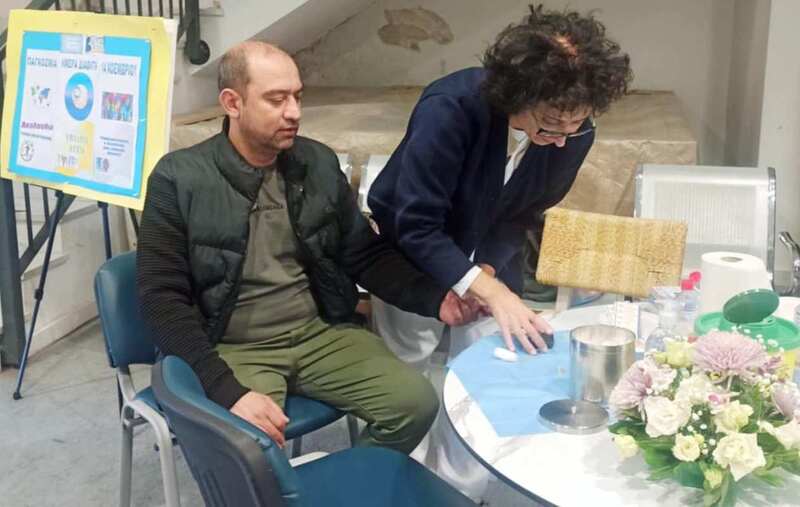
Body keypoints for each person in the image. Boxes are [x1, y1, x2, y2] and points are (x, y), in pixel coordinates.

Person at [136, 41, 478, 453]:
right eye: (276, 99)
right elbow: (161, 299)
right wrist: (225, 388)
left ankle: (353, 480)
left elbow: (363, 254)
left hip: (318, 333)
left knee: (416, 404)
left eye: (297, 97)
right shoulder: (178, 178)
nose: (294, 112)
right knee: (248, 448)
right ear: (232, 103)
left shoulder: (316, 163)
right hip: (231, 345)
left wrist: (435, 298)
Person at [367, 4, 632, 499]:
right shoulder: (451, 108)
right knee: (409, 369)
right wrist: (486, 288)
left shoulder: (575, 131)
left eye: (576, 124)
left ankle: (458, 491)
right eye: (550, 123)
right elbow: (416, 223)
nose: (562, 140)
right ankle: (400, 484)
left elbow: (525, 211)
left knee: (486, 372)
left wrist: (485, 272)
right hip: (408, 255)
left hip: (486, 256)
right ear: (518, 92)